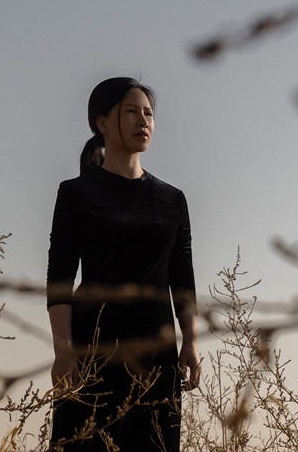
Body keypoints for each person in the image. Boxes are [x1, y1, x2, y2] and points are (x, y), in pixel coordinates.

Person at [46, 77, 201, 451]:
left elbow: (182, 276)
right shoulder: (76, 193)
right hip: (93, 350)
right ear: (102, 122)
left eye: (148, 113)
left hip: (157, 353)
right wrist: (63, 352)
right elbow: (60, 279)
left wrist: (191, 340)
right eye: (130, 112)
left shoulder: (172, 200)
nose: (143, 120)